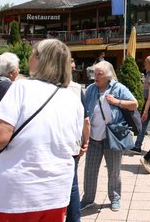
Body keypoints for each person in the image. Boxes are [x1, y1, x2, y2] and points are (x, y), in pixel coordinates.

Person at [0, 39, 84, 221]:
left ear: (40, 59)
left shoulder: (21, 87)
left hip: (17, 192)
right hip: (56, 192)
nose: (28, 58)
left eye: (32, 53)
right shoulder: (73, 99)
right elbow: (74, 145)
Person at [80, 60, 138, 212]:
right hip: (94, 137)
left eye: (99, 74)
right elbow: (84, 110)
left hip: (112, 136)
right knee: (90, 170)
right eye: (94, 74)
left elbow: (134, 104)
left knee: (114, 171)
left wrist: (117, 102)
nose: (95, 77)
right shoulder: (91, 89)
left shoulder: (118, 88)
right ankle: (87, 199)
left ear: (108, 75)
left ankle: (115, 198)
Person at [66, 81, 90, 222]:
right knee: (72, 184)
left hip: (42, 144)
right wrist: (85, 141)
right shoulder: (74, 88)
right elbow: (86, 120)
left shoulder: (27, 86)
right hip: (70, 144)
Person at [130, 55, 150, 155]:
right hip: (148, 101)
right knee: (144, 123)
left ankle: (137, 146)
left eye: (146, 62)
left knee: (144, 123)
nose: (144, 64)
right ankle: (137, 146)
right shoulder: (148, 73)